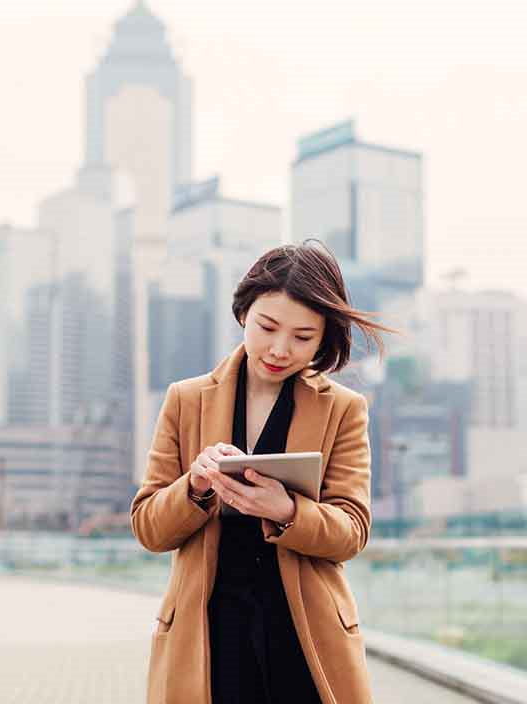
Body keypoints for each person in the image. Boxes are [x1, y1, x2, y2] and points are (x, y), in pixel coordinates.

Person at [131, 241, 394, 704]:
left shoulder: (344, 409)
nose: (279, 349)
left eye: (302, 336)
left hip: (305, 635)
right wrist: (193, 486)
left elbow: (352, 531)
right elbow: (149, 529)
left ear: (323, 337)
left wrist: (289, 511)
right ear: (242, 314)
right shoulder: (185, 400)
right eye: (267, 327)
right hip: (208, 634)